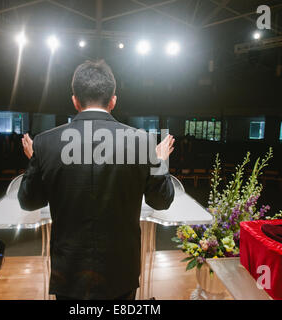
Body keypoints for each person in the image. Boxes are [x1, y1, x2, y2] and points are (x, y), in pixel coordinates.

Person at [18, 60, 175, 300]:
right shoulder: (142, 143)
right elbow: (161, 200)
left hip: (68, 271)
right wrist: (160, 161)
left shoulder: (45, 143)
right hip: (120, 271)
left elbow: (29, 201)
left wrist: (36, 162)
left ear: (75, 101)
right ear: (113, 100)